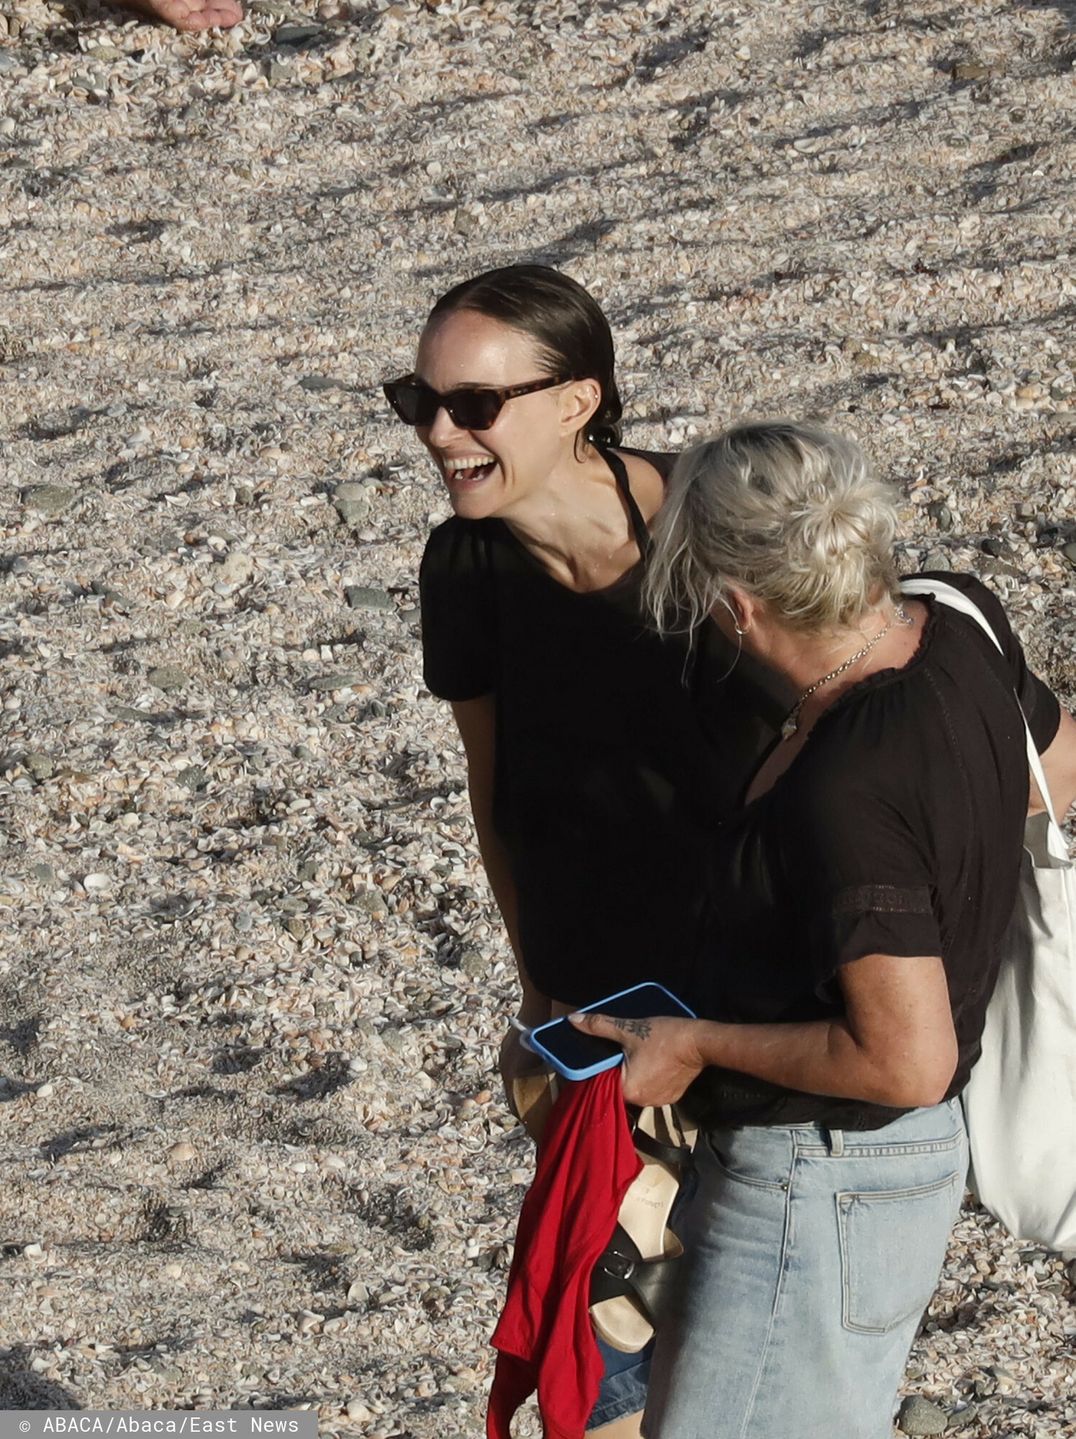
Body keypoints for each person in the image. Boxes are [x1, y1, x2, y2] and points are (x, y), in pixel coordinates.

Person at [571, 419, 1076, 1438]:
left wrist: (695, 1043)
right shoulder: (955, 617)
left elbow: (907, 1059)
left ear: (736, 604)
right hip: (875, 1183)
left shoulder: (847, 783)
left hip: (819, 1177)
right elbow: (1055, 772)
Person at [384, 265, 778, 1436]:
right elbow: (494, 787)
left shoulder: (719, 535)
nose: (439, 433)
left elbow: (865, 728)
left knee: (732, 1349)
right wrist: (534, 983)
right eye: (418, 401)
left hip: (755, 1008)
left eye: (474, 405)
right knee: (605, 1356)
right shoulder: (465, 565)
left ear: (576, 401)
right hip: (593, 1016)